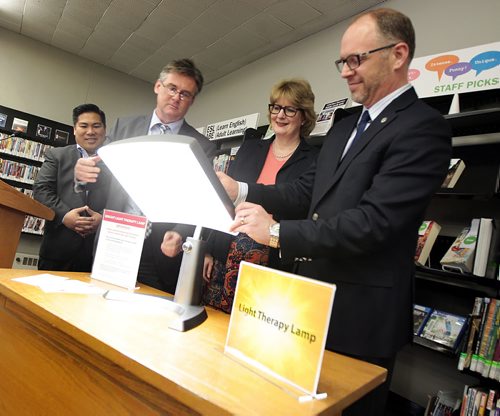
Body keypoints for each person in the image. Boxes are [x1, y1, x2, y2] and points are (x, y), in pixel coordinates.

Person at [217, 8, 452, 416]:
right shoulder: (343, 128)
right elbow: (308, 195)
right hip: (307, 303)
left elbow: (374, 222)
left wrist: (276, 234)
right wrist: (243, 191)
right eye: (342, 61)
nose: (345, 71)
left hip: (362, 314)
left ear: (398, 55)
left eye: (356, 59)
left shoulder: (422, 127)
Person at [74, 59, 216, 293]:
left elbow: (199, 198)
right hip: (116, 239)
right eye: (172, 88)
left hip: (161, 249)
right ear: (157, 86)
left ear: (192, 100)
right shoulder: (125, 127)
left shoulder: (201, 146)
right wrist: (83, 174)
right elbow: (103, 174)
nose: (176, 97)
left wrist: (180, 232)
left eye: (185, 93)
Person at [203, 78, 319, 312]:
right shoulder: (250, 149)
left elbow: (301, 204)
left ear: (304, 116)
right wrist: (208, 248)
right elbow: (225, 201)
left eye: (290, 109)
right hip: (227, 249)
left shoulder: (315, 158)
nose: (280, 115)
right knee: (212, 323)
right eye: (275, 107)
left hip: (272, 257)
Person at [34, 103, 110, 272]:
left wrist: (103, 219)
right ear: (75, 129)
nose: (90, 131)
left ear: (104, 130)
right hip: (57, 250)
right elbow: (41, 189)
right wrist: (65, 215)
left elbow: (123, 200)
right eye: (84, 126)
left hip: (98, 255)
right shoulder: (57, 155)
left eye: (96, 126)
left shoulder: (116, 162)